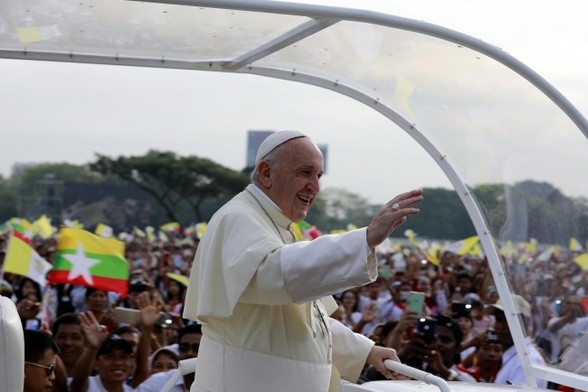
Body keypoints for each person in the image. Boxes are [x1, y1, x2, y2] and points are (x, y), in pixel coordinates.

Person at [183, 130, 424, 391]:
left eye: (318, 176)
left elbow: (306, 323)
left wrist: (366, 351)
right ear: (266, 173)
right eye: (305, 173)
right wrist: (364, 239)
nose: (315, 187)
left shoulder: (278, 225)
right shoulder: (239, 217)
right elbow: (273, 276)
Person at [485, 295, 548, 388]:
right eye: (498, 320)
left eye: (507, 320)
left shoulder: (526, 361)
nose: (500, 326)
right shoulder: (518, 356)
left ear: (524, 323)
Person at [135, 324, 202, 392]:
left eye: (197, 349)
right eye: (184, 348)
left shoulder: (213, 383)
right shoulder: (158, 382)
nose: (189, 353)